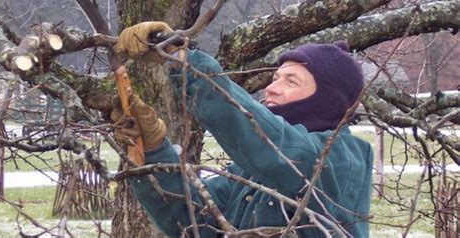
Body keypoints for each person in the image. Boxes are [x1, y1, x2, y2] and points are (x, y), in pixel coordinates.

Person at [111, 22, 373, 237]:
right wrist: (154, 148)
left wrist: (184, 58)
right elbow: (194, 221)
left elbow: (280, 151)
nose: (271, 88)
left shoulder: (343, 158)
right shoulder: (250, 171)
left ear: (326, 99)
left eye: (290, 81)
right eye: (275, 78)